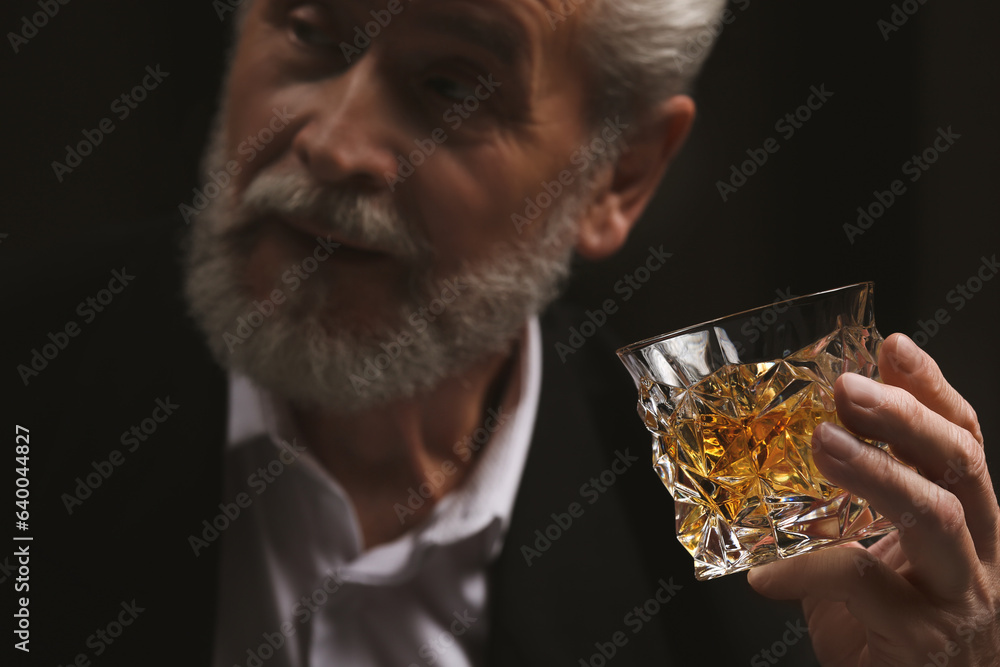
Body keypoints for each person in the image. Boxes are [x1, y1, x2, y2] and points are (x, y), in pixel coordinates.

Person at [19, 1, 998, 666]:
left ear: (618, 177)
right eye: (311, 30)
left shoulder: (754, 592)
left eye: (449, 86)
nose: (332, 141)